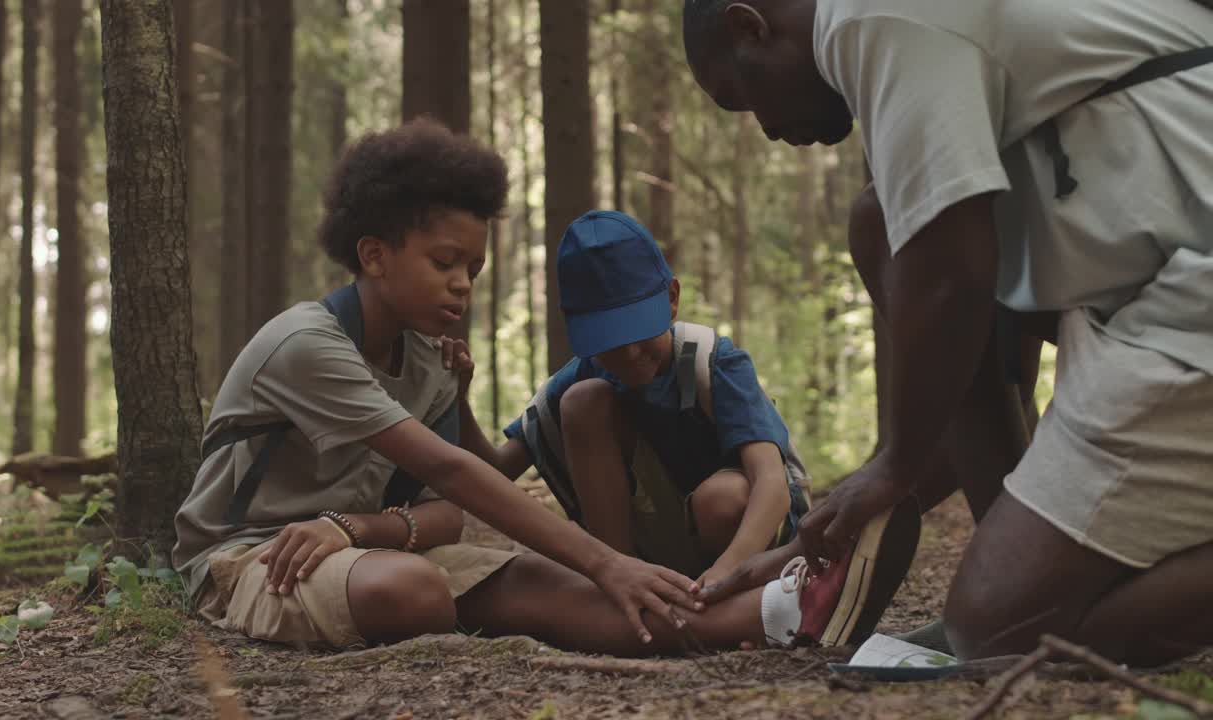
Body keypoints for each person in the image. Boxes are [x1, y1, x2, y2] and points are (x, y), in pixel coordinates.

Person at [170, 119, 839, 655]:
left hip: (360, 550)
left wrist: (355, 527)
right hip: (251, 559)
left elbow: (445, 514)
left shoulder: (431, 364)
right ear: (374, 255)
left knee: (549, 587)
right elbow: (450, 469)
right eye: (444, 262)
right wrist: (607, 559)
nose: (463, 283)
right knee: (416, 590)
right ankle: (752, 605)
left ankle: (781, 610)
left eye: (475, 267)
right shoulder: (307, 344)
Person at [681, 0, 1213, 665]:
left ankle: (1031, 594)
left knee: (1000, 631)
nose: (764, 128)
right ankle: (1031, 562)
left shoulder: (870, 16)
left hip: (1188, 298)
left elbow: (950, 277)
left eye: (744, 98)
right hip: (1156, 285)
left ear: (748, 26)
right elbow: (950, 351)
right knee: (882, 222)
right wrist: (832, 528)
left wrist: (896, 463)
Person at [461, 209, 811, 589]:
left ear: (671, 299)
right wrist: (456, 398)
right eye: (609, 339)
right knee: (582, 401)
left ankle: (743, 596)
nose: (628, 354)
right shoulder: (583, 375)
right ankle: (624, 579)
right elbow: (493, 472)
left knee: (722, 498)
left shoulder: (712, 361)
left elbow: (771, 484)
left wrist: (730, 570)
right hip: (657, 551)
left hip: (749, 547)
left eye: (637, 329)